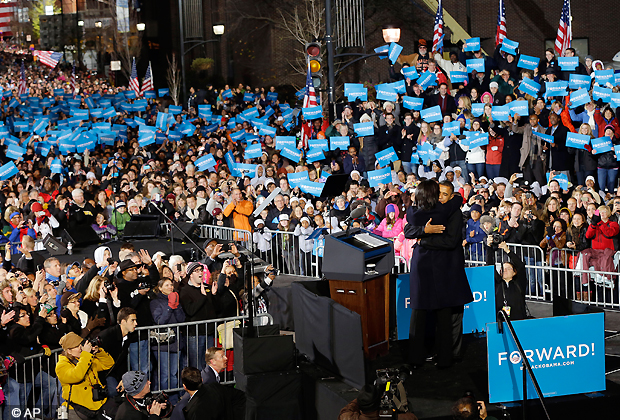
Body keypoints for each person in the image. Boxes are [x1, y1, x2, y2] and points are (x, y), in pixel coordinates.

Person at [404, 180, 473, 368]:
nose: (441, 197)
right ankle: (426, 357)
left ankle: (446, 357)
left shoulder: (451, 212)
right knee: (426, 313)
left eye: (444, 194)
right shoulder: (439, 210)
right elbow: (408, 229)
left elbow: (451, 241)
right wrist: (424, 230)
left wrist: (423, 241)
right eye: (438, 194)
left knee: (444, 314)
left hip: (446, 269)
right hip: (427, 268)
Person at [55, 332, 115, 420]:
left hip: (96, 405)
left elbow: (108, 364)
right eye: (77, 346)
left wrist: (98, 352)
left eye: (81, 345)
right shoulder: (62, 365)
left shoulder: (84, 358)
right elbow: (77, 375)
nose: (81, 348)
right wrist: (86, 355)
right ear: (68, 351)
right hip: (77, 410)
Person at [180, 367, 246, 420]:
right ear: (201, 379)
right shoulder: (216, 387)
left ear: (184, 386)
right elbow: (240, 396)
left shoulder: (193, 411)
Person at [485, 239, 527, 321]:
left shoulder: (519, 283)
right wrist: (489, 247)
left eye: (508, 268)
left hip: (519, 321)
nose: (505, 270)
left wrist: (507, 250)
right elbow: (490, 266)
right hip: (501, 322)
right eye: (503, 269)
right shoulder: (498, 283)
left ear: (514, 272)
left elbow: (520, 266)